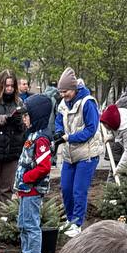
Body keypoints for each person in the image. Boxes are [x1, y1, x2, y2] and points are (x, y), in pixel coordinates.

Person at [5, 92, 53, 253]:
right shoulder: (32, 135)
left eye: (26, 115)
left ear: (36, 116)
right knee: (23, 223)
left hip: (32, 190)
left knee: (31, 225)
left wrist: (26, 178)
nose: (24, 119)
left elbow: (44, 167)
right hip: (25, 191)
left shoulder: (41, 139)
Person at [53, 67, 103, 233]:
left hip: (87, 154)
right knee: (66, 189)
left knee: (78, 190)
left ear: (74, 89)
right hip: (70, 154)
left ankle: (77, 223)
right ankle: (69, 220)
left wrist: (69, 138)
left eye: (66, 91)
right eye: (61, 91)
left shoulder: (88, 103)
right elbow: (59, 120)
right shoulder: (63, 103)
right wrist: (59, 131)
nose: (63, 95)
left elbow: (91, 129)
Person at [0, 70, 25, 218]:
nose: (9, 89)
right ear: (0, 85)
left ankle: (4, 217)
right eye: (6, 85)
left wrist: (18, 122)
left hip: (12, 152)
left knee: (6, 189)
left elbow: (24, 127)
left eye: (12, 86)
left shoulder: (19, 102)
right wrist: (2, 119)